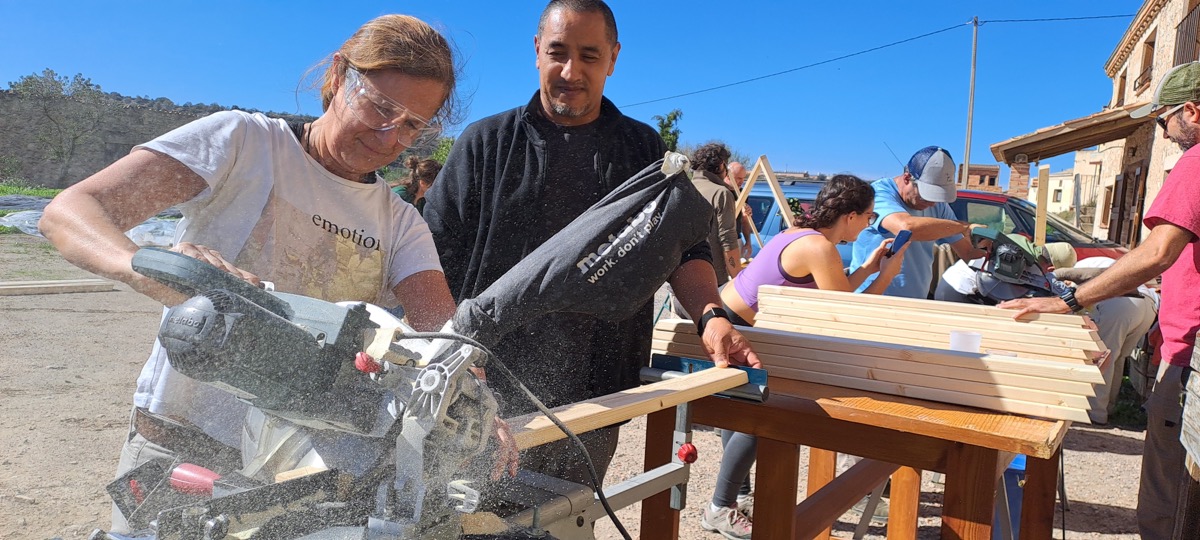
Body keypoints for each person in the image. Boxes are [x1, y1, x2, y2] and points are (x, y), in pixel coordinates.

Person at [36, 14, 512, 532]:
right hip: (178, 444)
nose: (388, 136)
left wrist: (478, 408)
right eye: (379, 107)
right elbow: (70, 212)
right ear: (338, 78)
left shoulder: (398, 223)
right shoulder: (243, 144)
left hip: (297, 471)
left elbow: (441, 339)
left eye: (413, 126)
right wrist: (156, 271)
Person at [423, 0, 759, 491]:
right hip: (484, 394)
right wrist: (460, 378)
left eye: (589, 55)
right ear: (537, 50)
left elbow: (686, 251)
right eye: (558, 52)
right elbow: (431, 262)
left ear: (614, 58)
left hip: (599, 394)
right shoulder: (484, 143)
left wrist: (712, 317)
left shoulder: (644, 152)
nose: (571, 71)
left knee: (570, 518)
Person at [1000, 60, 1200, 539]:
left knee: (1173, 504)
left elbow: (1157, 252)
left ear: (1193, 110)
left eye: (1162, 119)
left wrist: (1069, 300)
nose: (1164, 132)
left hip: (1191, 363)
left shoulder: (1195, 163)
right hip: (1183, 344)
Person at [705, 175, 907, 539]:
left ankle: (740, 498)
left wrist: (868, 268)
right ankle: (720, 507)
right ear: (849, 216)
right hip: (735, 326)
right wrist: (888, 277)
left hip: (730, 315)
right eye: (868, 217)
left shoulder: (799, 233)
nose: (868, 225)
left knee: (742, 415)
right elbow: (843, 313)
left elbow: (837, 289)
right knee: (759, 419)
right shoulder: (821, 248)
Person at [935, 242, 1159, 424]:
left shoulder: (1050, 272)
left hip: (1124, 302)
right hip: (962, 290)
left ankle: (1094, 413)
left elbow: (1071, 306)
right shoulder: (1038, 270)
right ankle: (1099, 412)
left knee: (1104, 353)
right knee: (967, 356)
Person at [851, 146, 987, 299]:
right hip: (872, 301)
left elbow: (967, 252)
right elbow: (907, 228)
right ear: (907, 178)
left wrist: (990, 251)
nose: (932, 204)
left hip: (916, 301)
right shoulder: (877, 194)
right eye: (927, 195)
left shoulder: (939, 205)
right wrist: (964, 227)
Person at [691, 142, 742, 285]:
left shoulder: (682, 188)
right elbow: (728, 239)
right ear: (720, 165)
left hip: (680, 278)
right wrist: (738, 279)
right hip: (711, 279)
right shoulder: (721, 193)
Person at [725, 160, 755, 259]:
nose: (741, 182)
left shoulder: (742, 194)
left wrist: (748, 242)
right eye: (738, 178)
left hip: (736, 239)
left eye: (743, 178)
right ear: (728, 176)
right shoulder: (720, 191)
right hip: (722, 242)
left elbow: (744, 221)